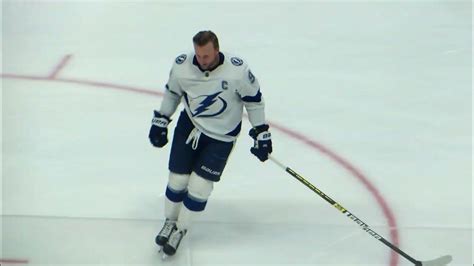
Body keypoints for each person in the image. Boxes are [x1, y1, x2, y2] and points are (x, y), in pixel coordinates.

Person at [148, 30, 272, 257]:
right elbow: (173, 93)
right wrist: (161, 120)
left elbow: (254, 102)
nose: (202, 61)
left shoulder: (238, 71)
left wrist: (261, 132)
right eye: (198, 55)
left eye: (206, 56)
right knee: (177, 180)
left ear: (216, 50)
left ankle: (181, 229)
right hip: (190, 126)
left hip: (222, 137)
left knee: (199, 187)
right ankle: (170, 222)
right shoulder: (182, 66)